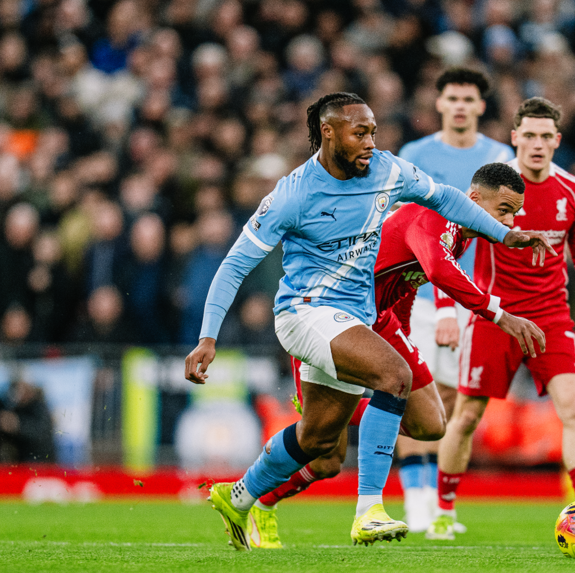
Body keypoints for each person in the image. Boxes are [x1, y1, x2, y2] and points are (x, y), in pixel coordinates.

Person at [185, 93, 553, 549]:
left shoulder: (387, 170)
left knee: (319, 443)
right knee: (393, 376)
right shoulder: (292, 194)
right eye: (360, 133)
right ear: (328, 132)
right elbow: (234, 265)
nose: (370, 143)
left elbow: (446, 198)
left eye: (373, 132)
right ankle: (369, 511)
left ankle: (239, 497)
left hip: (358, 317)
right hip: (305, 312)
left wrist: (506, 234)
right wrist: (207, 337)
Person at [245, 163, 547, 548]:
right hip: (334, 317)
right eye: (504, 210)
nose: (510, 220)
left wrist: (401, 337)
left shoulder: (463, 235)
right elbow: (438, 271)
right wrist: (502, 315)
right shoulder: (433, 213)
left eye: (515, 213)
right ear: (473, 200)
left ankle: (355, 414)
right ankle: (263, 502)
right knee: (325, 459)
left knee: (433, 424)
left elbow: (403, 285)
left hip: (379, 321)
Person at [430, 97, 575, 540]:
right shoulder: (490, 184)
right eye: (529, 136)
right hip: (493, 315)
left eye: (545, 137)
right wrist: (446, 311)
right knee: (467, 415)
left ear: (557, 140)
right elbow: (444, 248)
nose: (537, 145)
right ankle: (443, 509)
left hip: (551, 316)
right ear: (515, 137)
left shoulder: (573, 191)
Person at [395, 68, 514, 531]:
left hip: (475, 293)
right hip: (419, 291)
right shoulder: (415, 155)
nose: (461, 105)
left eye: (469, 98)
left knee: (450, 400)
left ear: (481, 107)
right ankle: (417, 502)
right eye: (453, 98)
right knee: (411, 391)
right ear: (440, 103)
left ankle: (437, 503)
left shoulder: (501, 157)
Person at [0, 379, 56, 464]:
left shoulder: (39, 407)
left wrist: (18, 425)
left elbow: (42, 433)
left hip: (39, 463)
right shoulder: (3, 406)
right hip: (13, 464)